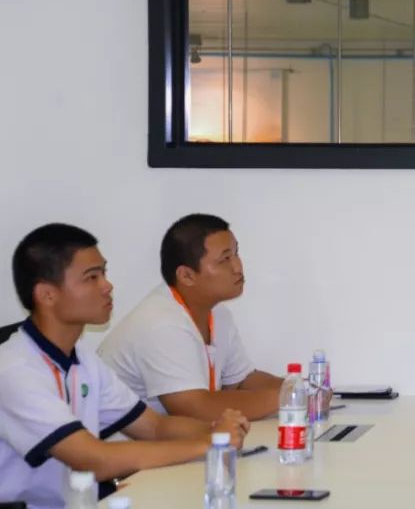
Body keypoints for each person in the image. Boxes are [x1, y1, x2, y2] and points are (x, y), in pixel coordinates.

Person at [0, 223, 248, 509]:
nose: (107, 286)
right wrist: (207, 444)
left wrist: (217, 431)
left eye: (103, 273)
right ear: (47, 295)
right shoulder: (14, 370)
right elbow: (94, 460)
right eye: (91, 277)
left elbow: (154, 427)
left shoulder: (81, 359)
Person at [99, 214, 281, 422]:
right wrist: (287, 397)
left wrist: (300, 388)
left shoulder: (218, 313)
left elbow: (240, 381)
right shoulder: (160, 323)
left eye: (236, 253)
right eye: (224, 259)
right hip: (121, 440)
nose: (238, 267)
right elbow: (194, 409)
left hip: (173, 438)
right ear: (186, 276)